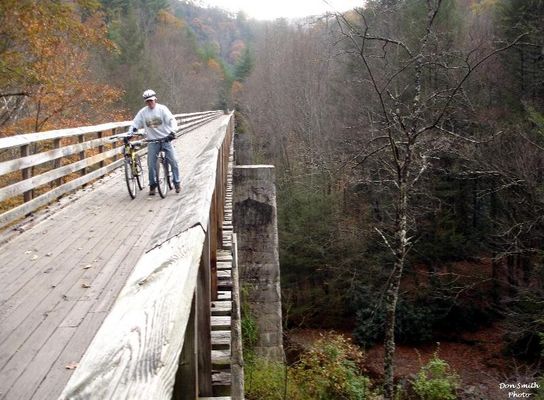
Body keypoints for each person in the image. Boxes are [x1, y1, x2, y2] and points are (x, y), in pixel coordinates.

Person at [129, 89, 181, 195]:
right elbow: (135, 124)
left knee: (174, 161)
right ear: (145, 102)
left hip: (166, 139)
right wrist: (130, 133)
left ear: (155, 99)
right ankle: (152, 185)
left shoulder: (162, 109)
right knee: (151, 164)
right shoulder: (143, 113)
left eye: (151, 101)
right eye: (148, 101)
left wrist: (172, 132)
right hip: (153, 141)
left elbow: (171, 120)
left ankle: (177, 182)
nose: (150, 103)